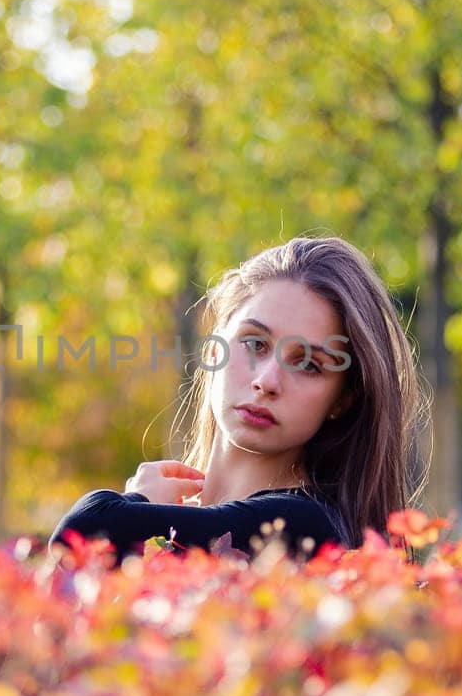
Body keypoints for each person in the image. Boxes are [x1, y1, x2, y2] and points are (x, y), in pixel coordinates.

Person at [49, 234, 428, 563]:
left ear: (342, 401)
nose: (267, 381)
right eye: (254, 343)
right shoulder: (172, 523)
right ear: (214, 351)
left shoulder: (302, 526)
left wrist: (135, 503)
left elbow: (81, 534)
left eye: (309, 364)